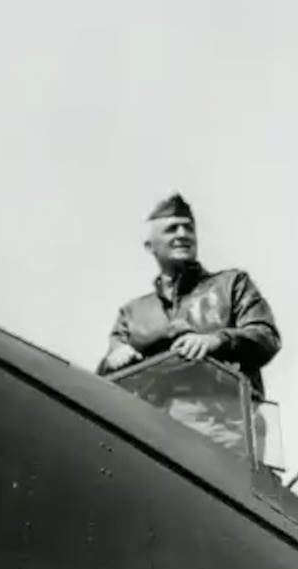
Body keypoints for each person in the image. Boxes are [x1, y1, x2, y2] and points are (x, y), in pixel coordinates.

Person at [97, 192, 282, 458]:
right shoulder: (133, 313)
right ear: (150, 245)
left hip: (226, 433)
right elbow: (105, 383)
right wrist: (112, 361)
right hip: (152, 434)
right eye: (172, 228)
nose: (183, 234)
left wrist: (217, 340)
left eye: (189, 227)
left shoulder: (231, 285)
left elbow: (266, 336)